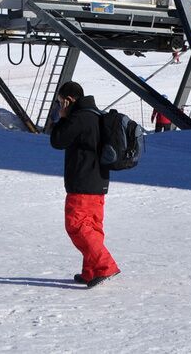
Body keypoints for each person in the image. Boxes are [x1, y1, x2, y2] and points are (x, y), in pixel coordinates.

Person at [46, 81, 123, 287]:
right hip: (98, 182)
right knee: (92, 227)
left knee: (77, 225)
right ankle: (90, 271)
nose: (59, 106)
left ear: (69, 100)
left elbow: (58, 140)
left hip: (82, 184)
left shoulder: (79, 118)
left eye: (60, 102)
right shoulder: (96, 115)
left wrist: (62, 119)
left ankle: (105, 265)